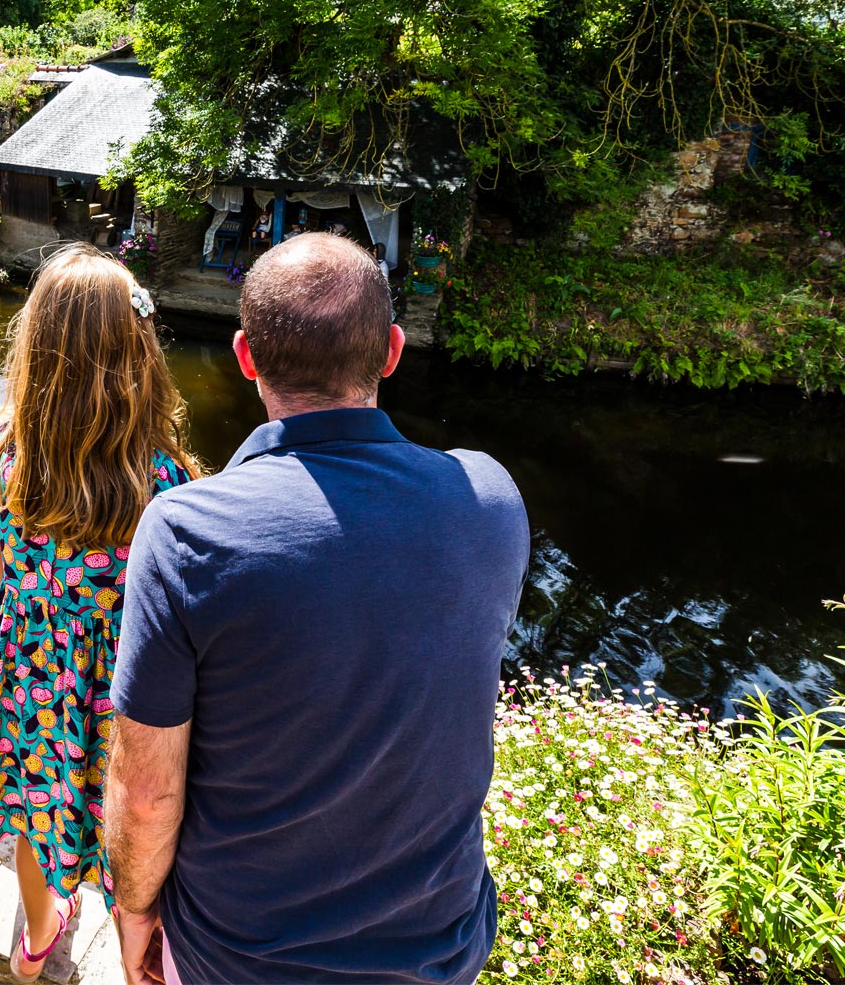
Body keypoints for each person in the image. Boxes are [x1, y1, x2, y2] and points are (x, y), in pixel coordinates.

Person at [107, 232, 530, 985]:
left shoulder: (184, 533)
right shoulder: (490, 500)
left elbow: (146, 793)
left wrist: (135, 913)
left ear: (245, 357)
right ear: (392, 351)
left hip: (238, 959)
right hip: (435, 948)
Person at [0, 243, 201, 983]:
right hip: (121, 679)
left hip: (31, 665)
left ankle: (37, 936)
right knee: (128, 810)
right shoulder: (163, 475)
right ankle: (130, 934)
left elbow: (1, 572)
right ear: (136, 349)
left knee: (38, 809)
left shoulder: (1, 451)